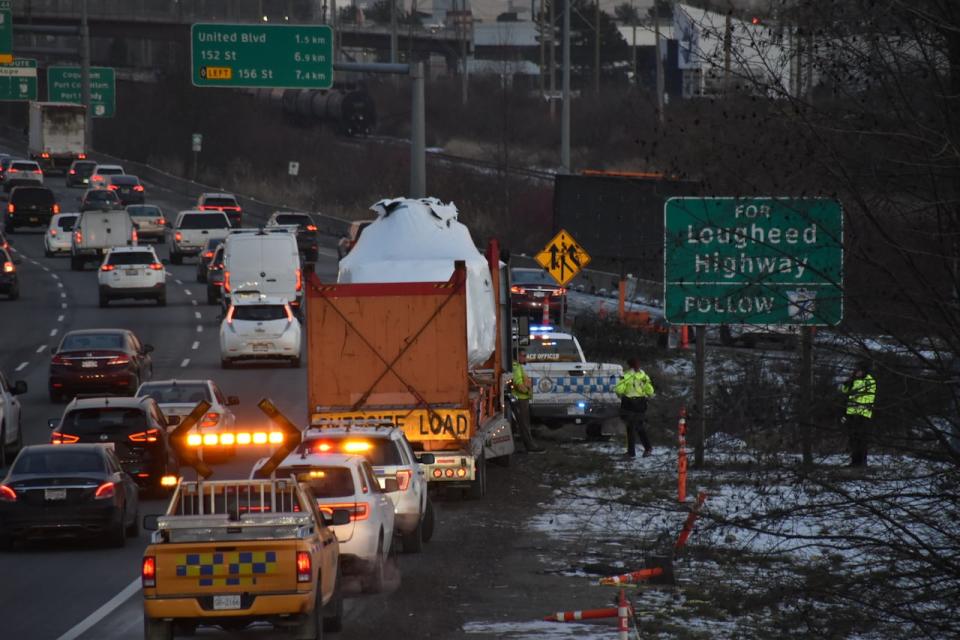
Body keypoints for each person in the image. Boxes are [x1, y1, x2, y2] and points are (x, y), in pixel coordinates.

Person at [615, 358, 655, 457]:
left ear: (629, 365)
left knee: (630, 427)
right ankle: (647, 448)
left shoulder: (626, 376)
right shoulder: (644, 376)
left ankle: (631, 452)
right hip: (641, 403)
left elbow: (619, 390)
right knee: (639, 426)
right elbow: (650, 391)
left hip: (628, 404)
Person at [840, 360, 877, 467]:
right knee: (853, 439)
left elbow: (865, 396)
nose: (856, 372)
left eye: (858, 371)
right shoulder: (854, 380)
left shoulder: (869, 381)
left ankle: (862, 462)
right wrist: (847, 384)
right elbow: (845, 392)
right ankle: (854, 461)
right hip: (852, 413)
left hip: (863, 414)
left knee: (862, 439)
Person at [511, 349, 545, 453]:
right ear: (517, 356)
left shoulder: (518, 366)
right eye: (523, 355)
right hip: (521, 399)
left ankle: (530, 445)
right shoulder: (516, 367)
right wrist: (527, 391)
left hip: (522, 399)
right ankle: (530, 446)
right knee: (524, 425)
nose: (525, 357)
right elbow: (518, 383)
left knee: (524, 424)